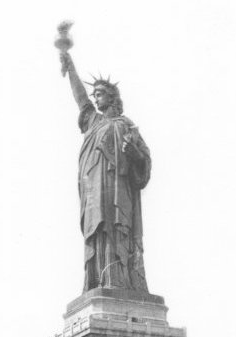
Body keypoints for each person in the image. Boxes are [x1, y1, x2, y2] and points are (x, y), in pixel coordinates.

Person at [60, 49, 152, 293]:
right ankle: (98, 281)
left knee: (117, 233)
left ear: (112, 97)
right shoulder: (93, 121)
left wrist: (133, 154)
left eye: (100, 94)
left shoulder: (126, 126)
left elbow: (144, 162)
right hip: (94, 192)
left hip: (118, 193)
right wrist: (70, 67)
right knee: (99, 232)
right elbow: (81, 98)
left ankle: (120, 282)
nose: (95, 97)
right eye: (95, 94)